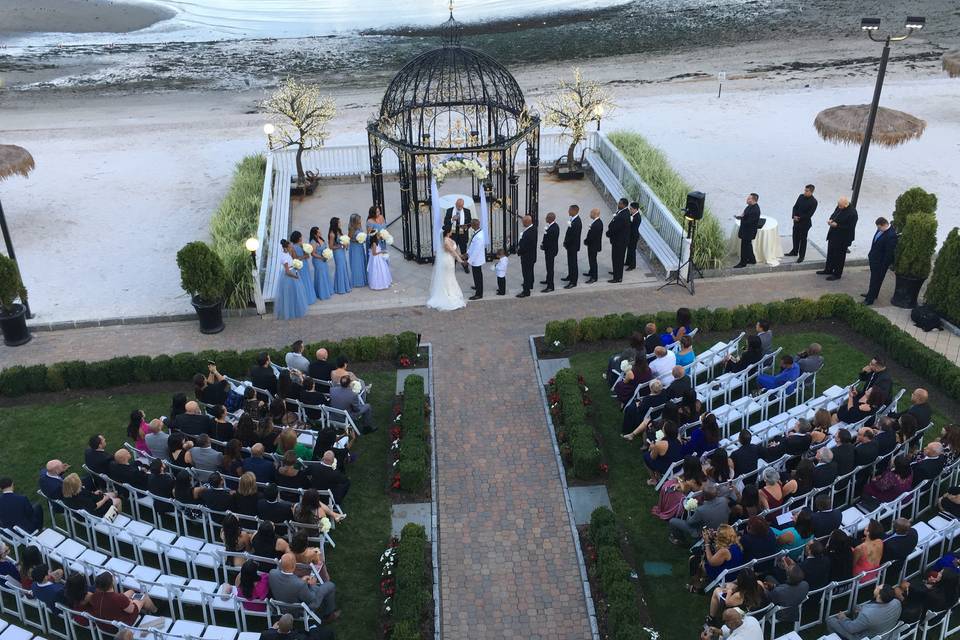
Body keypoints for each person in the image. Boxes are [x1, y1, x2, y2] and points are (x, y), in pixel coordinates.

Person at [268, 553, 339, 621]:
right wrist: (312, 585)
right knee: (330, 585)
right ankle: (329, 615)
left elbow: (288, 583)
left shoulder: (272, 573)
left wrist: (302, 581)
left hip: (280, 608)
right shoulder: (300, 584)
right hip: (297, 611)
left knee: (317, 588)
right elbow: (311, 599)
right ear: (294, 566)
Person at [85, 571, 158, 630]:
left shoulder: (93, 596)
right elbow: (131, 610)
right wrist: (131, 602)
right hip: (121, 624)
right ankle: (155, 611)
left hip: (103, 624)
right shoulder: (118, 598)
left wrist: (127, 600)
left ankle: (145, 607)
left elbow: (112, 600)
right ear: (111, 583)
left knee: (131, 592)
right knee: (143, 597)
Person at [825, 584, 901, 639]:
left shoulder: (867, 614)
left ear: (879, 595)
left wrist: (843, 618)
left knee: (830, 620)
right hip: (884, 631)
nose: (877, 586)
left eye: (878, 587)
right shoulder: (896, 602)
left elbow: (851, 629)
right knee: (858, 607)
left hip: (865, 637)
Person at [426, 225, 467, 311]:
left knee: (450, 276)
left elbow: (455, 250)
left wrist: (461, 255)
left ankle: (450, 292)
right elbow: (452, 252)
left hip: (450, 260)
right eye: (451, 230)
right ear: (448, 232)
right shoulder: (445, 242)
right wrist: (460, 260)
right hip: (447, 261)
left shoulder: (449, 239)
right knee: (448, 277)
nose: (452, 231)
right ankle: (448, 294)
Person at [819, 196, 858, 280]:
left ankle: (837, 274)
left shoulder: (852, 213)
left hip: (843, 238)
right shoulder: (840, 207)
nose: (839, 207)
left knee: (839, 256)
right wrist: (831, 220)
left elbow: (850, 227)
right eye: (838, 205)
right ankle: (828, 269)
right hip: (833, 234)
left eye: (840, 206)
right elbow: (834, 214)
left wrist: (837, 225)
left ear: (846, 204)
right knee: (831, 253)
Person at [863, 216, 898, 305]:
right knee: (874, 279)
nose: (878, 229)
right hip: (874, 259)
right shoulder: (881, 230)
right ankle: (872, 294)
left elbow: (889, 253)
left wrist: (883, 266)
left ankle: (869, 300)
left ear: (884, 225)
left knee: (876, 280)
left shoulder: (891, 235)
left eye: (879, 227)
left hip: (880, 263)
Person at [275, 239, 310, 320]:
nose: (292, 248)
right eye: (290, 247)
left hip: (293, 272)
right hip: (289, 277)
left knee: (294, 293)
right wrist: (295, 276)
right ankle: (290, 312)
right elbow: (287, 271)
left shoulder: (287, 253)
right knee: (290, 294)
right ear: (286, 248)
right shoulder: (285, 258)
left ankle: (295, 309)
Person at [786, 184, 817, 262]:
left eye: (807, 191)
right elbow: (795, 207)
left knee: (803, 240)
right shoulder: (801, 196)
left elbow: (809, 214)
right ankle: (794, 251)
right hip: (796, 221)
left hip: (805, 224)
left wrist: (799, 218)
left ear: (811, 192)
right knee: (795, 236)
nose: (805, 192)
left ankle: (801, 256)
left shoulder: (814, 202)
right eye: (805, 190)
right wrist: (794, 216)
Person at [443, 197, 472, 271]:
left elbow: (469, 223)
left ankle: (465, 266)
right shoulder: (450, 211)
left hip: (462, 235)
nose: (459, 207)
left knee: (463, 251)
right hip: (453, 234)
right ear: (455, 204)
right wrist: (452, 219)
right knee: (453, 250)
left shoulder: (467, 211)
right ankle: (452, 266)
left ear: (463, 205)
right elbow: (445, 222)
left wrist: (466, 227)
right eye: (458, 206)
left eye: (461, 206)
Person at [734, 193, 761, 268]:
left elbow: (748, 222)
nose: (747, 199)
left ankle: (743, 263)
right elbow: (745, 215)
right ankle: (752, 260)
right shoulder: (749, 207)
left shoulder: (755, 210)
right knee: (748, 246)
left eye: (749, 198)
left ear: (753, 200)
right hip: (746, 231)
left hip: (748, 232)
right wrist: (740, 217)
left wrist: (742, 218)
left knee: (744, 247)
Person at [852, 520, 885, 584]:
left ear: (868, 532)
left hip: (860, 576)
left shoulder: (860, 548)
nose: (865, 527)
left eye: (867, 526)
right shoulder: (880, 542)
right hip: (872, 573)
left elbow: (851, 564)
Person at [290, 230, 317, 305]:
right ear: (298, 238)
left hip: (304, 265)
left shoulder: (302, 245)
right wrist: (304, 256)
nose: (302, 237)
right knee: (303, 281)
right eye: (301, 236)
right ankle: (305, 299)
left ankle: (308, 297)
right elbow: (295, 258)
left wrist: (304, 256)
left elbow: (308, 256)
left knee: (307, 280)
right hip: (299, 266)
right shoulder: (293, 247)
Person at [607, 197, 630, 282]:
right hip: (618, 240)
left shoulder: (623, 215)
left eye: (620, 203)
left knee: (618, 259)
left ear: (624, 205)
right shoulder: (622, 212)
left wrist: (608, 233)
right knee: (616, 258)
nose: (618, 204)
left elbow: (616, 228)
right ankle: (616, 272)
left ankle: (618, 278)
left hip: (620, 242)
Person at [309, 226, 333, 301]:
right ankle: (321, 293)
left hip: (323, 259)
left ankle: (326, 291)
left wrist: (327, 254)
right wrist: (322, 257)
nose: (320, 233)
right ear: (315, 234)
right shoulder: (313, 242)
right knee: (320, 276)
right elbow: (313, 254)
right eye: (319, 232)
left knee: (325, 274)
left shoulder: (321, 239)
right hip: (318, 260)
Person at [328, 217, 352, 295]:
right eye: (339, 222)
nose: (340, 224)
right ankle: (340, 288)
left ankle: (345, 286)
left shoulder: (338, 231)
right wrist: (340, 246)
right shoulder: (332, 234)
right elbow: (331, 246)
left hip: (341, 251)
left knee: (344, 266)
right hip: (337, 253)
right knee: (340, 268)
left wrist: (345, 244)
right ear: (335, 224)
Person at [516, 215, 537, 297]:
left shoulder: (528, 233)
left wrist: (519, 251)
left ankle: (526, 291)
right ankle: (530, 284)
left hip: (527, 257)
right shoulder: (533, 229)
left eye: (523, 222)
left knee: (526, 273)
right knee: (530, 272)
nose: (522, 224)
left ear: (527, 222)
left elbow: (525, 247)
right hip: (531, 256)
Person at [561, 204, 581, 289]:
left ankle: (573, 281)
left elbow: (573, 236)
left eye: (569, 210)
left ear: (574, 211)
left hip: (573, 246)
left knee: (573, 263)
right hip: (570, 245)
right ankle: (570, 275)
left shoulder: (576, 222)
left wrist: (567, 242)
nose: (568, 211)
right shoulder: (573, 219)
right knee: (570, 262)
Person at [465, 219, 485, 300]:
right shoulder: (476, 232)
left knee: (478, 276)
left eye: (471, 224)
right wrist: (467, 253)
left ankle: (479, 294)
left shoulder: (479, 236)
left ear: (474, 226)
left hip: (476, 259)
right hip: (474, 258)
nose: (471, 226)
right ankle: (477, 286)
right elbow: (472, 245)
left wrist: (468, 261)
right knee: (476, 275)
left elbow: (476, 251)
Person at [345, 214, 368, 288]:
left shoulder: (359, 225)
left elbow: (362, 234)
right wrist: (357, 240)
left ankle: (364, 279)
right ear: (354, 221)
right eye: (358, 219)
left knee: (362, 262)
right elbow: (349, 239)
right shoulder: (351, 229)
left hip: (360, 247)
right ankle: (358, 281)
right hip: (355, 248)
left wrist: (363, 239)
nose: (360, 221)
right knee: (357, 264)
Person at [539, 211, 559, 292]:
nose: (545, 218)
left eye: (547, 217)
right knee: (548, 267)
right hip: (550, 250)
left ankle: (550, 286)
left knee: (550, 268)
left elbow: (550, 242)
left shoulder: (553, 229)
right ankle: (548, 280)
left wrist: (543, 246)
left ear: (550, 219)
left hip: (550, 251)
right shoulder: (553, 226)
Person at [582, 207, 603, 283]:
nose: (590, 214)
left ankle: (594, 277)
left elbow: (592, 236)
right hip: (593, 245)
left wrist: (586, 241)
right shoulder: (597, 222)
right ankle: (591, 272)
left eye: (591, 213)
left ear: (594, 214)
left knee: (593, 261)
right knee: (591, 260)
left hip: (593, 246)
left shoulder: (596, 224)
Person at [625, 201, 642, 271]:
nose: (630, 210)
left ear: (635, 209)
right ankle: (628, 262)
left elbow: (633, 228)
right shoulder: (632, 215)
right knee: (629, 249)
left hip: (634, 236)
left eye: (631, 209)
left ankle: (632, 265)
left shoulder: (637, 217)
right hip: (630, 235)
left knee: (632, 250)